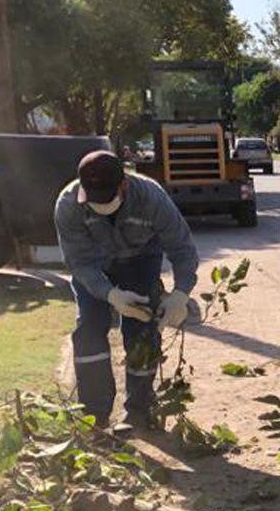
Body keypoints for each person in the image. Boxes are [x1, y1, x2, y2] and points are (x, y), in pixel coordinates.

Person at [54, 150, 200, 432]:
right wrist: (110, 295)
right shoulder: (68, 205)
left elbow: (182, 249)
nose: (101, 205)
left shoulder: (152, 198)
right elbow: (79, 263)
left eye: (107, 197)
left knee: (143, 331)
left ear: (124, 185)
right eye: (94, 199)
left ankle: (140, 410)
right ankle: (94, 416)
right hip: (94, 268)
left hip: (140, 260)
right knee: (89, 329)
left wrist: (180, 294)